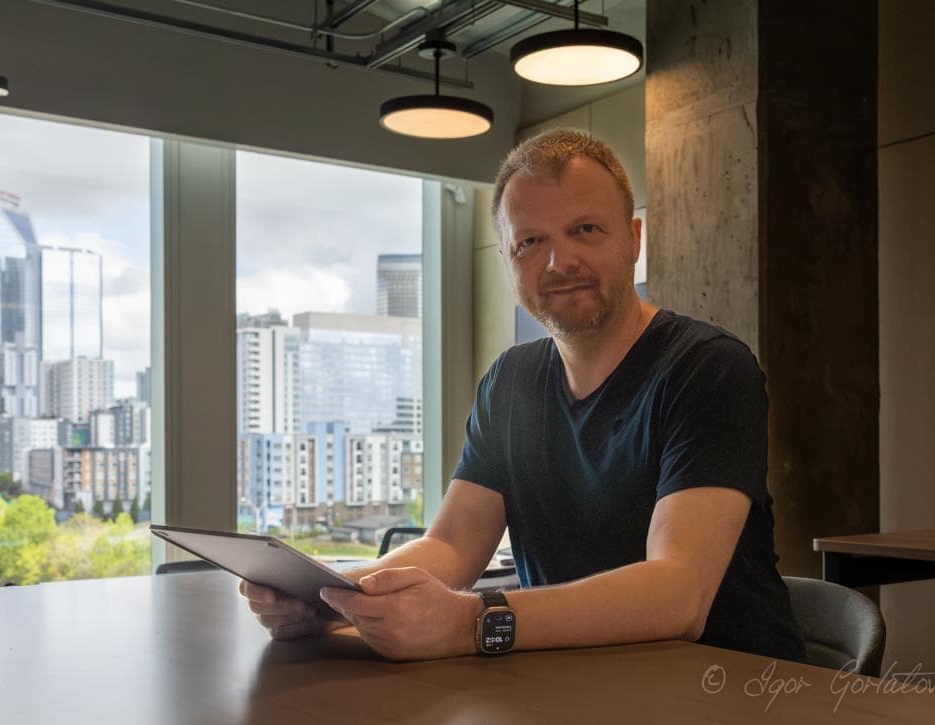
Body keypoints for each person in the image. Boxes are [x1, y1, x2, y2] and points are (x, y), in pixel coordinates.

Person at [241, 129, 806, 663]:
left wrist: (471, 623)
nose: (559, 263)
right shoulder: (510, 381)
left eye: (585, 230)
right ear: (510, 261)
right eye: (531, 242)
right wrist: (338, 596)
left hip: (725, 689)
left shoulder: (706, 368)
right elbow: (452, 549)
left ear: (633, 239)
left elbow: (678, 594)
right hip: (568, 686)